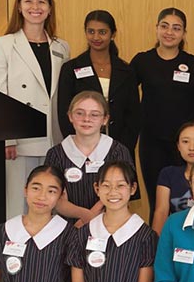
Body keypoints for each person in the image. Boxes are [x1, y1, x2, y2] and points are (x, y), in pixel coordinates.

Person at [0, 0, 70, 217]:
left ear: (50, 8)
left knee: (53, 201)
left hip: (53, 134)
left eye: (41, 1)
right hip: (19, 138)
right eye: (29, 1)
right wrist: (7, 139)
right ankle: (16, 252)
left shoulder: (61, 47)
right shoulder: (4, 45)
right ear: (19, 7)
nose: (36, 7)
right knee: (18, 202)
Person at [130, 7, 194, 208]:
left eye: (176, 28)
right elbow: (126, 96)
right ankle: (159, 239)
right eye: (165, 26)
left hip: (185, 145)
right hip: (152, 143)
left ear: (184, 34)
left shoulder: (193, 63)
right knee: (157, 202)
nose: (169, 32)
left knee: (187, 201)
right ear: (156, 28)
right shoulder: (142, 61)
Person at [56, 10, 140, 154]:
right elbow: (65, 112)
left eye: (102, 32)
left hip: (119, 145)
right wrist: (77, 146)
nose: (96, 37)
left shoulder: (126, 71)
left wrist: (121, 149)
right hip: (81, 146)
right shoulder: (71, 68)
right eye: (91, 31)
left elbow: (133, 115)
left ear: (113, 34)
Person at [45, 91, 132, 226]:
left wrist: (86, 221)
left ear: (105, 119)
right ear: (70, 116)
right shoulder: (56, 154)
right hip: (68, 227)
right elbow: (56, 199)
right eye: (79, 113)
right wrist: (82, 217)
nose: (86, 119)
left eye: (94, 114)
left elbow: (121, 193)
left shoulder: (118, 152)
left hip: (110, 225)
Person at [151, 121, 194, 234]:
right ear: (178, 146)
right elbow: (161, 212)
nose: (192, 147)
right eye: (185, 142)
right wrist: (156, 246)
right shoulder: (168, 174)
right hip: (177, 237)